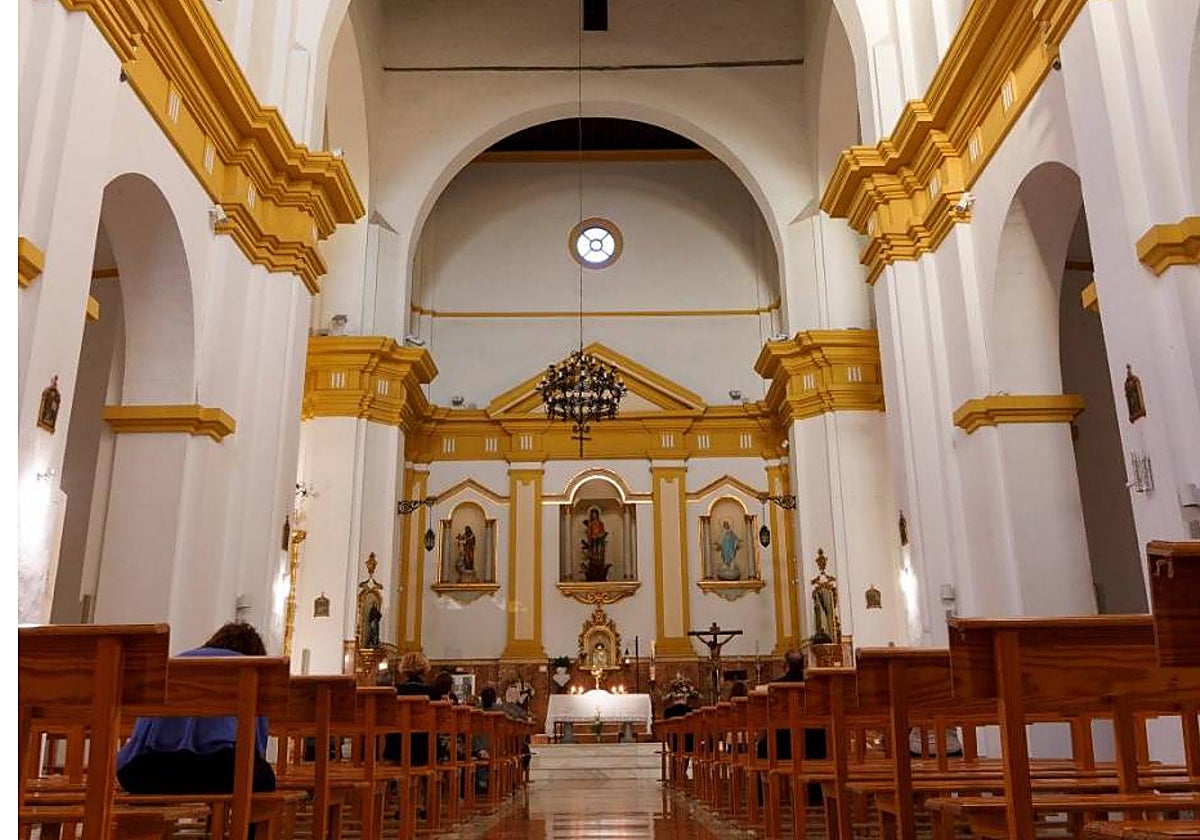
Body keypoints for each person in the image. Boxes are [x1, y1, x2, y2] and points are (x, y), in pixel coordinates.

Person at [116, 622, 277, 807]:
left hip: (143, 770)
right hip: (217, 770)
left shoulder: (174, 662)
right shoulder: (249, 669)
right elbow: (254, 742)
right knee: (263, 778)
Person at [384, 651, 435, 766]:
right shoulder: (432, 692)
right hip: (425, 747)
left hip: (396, 747)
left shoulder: (394, 692)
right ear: (425, 668)